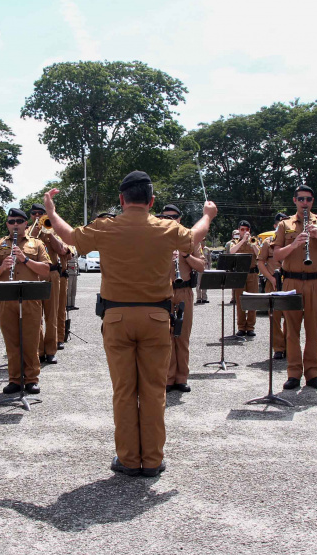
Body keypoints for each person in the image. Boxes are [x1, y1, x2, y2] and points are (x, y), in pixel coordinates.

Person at [43, 170, 217, 478]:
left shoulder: (107, 227)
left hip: (118, 318)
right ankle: (152, 459)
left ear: (122, 200)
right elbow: (195, 236)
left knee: (124, 390)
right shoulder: (166, 228)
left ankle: (127, 458)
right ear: (151, 201)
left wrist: (52, 213)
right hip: (156, 318)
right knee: (153, 390)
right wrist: (207, 215)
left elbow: (69, 237)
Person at [272, 185, 317, 390]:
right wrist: (294, 245)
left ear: (312, 201)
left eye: (308, 199)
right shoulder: (284, 224)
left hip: (316, 282)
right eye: (301, 199)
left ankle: (313, 374)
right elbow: (277, 255)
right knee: (291, 331)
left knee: (313, 331)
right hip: (291, 281)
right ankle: (293, 374)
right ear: (295, 201)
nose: (305, 203)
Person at [0, 209, 52, 394]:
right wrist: (2, 268)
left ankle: (31, 379)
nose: (15, 224)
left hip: (30, 299)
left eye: (19, 221)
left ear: (25, 224)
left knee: (31, 340)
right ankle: (15, 379)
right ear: (7, 224)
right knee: (12, 342)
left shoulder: (36, 244)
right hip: (6, 300)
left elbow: (46, 271)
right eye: (11, 221)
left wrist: (25, 259)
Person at [160, 204, 206, 393]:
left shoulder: (190, 238)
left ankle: (182, 377)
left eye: (173, 217)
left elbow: (202, 266)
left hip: (184, 290)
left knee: (182, 336)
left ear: (179, 219)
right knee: (166, 336)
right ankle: (169, 378)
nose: (169, 220)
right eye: (166, 217)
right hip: (162, 292)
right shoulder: (156, 238)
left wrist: (186, 255)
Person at [30, 203, 69, 364]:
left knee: (51, 314)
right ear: (31, 216)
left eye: (41, 213)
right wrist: (36, 230)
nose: (38, 216)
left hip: (52, 273)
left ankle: (51, 350)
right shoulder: (28, 232)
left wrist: (49, 232)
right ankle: (39, 350)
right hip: (34, 274)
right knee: (35, 316)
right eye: (35, 214)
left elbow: (62, 250)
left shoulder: (53, 231)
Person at [256, 212, 288, 359]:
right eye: (279, 223)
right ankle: (279, 348)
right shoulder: (268, 242)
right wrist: (269, 277)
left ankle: (290, 345)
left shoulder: (293, 241)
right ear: (275, 225)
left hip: (289, 282)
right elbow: (260, 261)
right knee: (274, 319)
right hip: (273, 283)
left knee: (291, 318)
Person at [228, 220, 260, 336]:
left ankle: (250, 327)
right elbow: (231, 252)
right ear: (239, 230)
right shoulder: (235, 242)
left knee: (253, 301)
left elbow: (260, 254)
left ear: (249, 230)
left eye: (246, 230)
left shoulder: (254, 240)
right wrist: (242, 241)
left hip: (252, 274)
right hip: (239, 274)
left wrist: (252, 244)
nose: (244, 232)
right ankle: (241, 327)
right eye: (242, 230)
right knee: (240, 301)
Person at [56, 243, 76, 349]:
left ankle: (59, 338)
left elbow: (69, 255)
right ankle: (38, 340)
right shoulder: (36, 235)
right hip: (42, 275)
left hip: (61, 276)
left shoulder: (62, 238)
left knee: (60, 309)